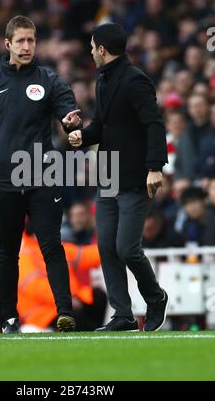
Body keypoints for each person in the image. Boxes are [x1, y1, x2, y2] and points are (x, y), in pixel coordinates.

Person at [0, 15, 81, 333]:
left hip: (43, 175)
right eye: (21, 41)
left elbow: (68, 113)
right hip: (3, 179)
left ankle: (64, 314)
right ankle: (9, 318)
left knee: (51, 245)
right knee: (8, 251)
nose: (27, 46)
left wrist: (72, 127)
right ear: (8, 44)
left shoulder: (49, 80)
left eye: (31, 40)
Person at [69, 23, 169, 331]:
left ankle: (155, 298)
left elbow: (154, 123)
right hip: (108, 176)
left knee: (126, 247)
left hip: (135, 177)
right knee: (107, 247)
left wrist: (155, 167)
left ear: (101, 49)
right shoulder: (104, 80)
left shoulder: (135, 80)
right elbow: (100, 125)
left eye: (91, 46)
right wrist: (80, 137)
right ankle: (122, 314)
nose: (89, 51)